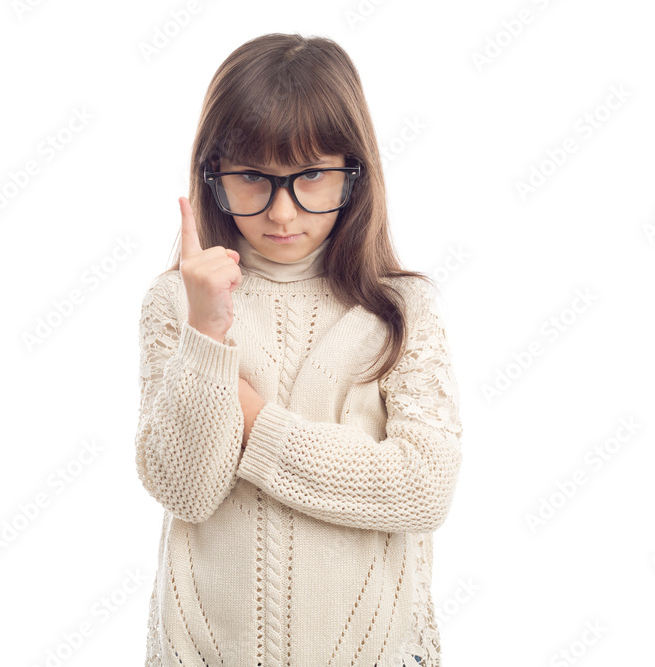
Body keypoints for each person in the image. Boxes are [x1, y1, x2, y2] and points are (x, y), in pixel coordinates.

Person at [135, 32, 463, 667]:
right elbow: (186, 490)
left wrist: (255, 423)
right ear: (214, 174)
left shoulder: (399, 310)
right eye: (254, 177)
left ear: (354, 171)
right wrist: (206, 335)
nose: (283, 212)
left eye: (311, 175)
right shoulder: (176, 302)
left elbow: (422, 487)